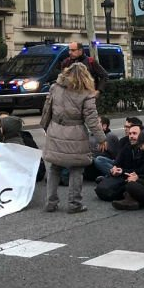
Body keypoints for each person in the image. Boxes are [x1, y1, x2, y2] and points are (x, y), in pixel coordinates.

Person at [42, 63, 107, 214]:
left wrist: (46, 127)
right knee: (77, 169)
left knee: (54, 167)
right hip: (76, 132)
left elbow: (47, 109)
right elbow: (92, 119)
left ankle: (50, 202)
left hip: (55, 128)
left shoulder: (55, 88)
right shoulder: (86, 93)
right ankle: (74, 203)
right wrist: (101, 138)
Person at [95, 123, 144, 201]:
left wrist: (122, 171)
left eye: (134, 133)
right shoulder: (127, 146)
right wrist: (115, 168)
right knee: (98, 160)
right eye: (130, 134)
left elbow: (143, 170)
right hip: (125, 173)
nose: (131, 136)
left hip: (138, 177)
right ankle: (108, 178)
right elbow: (118, 160)